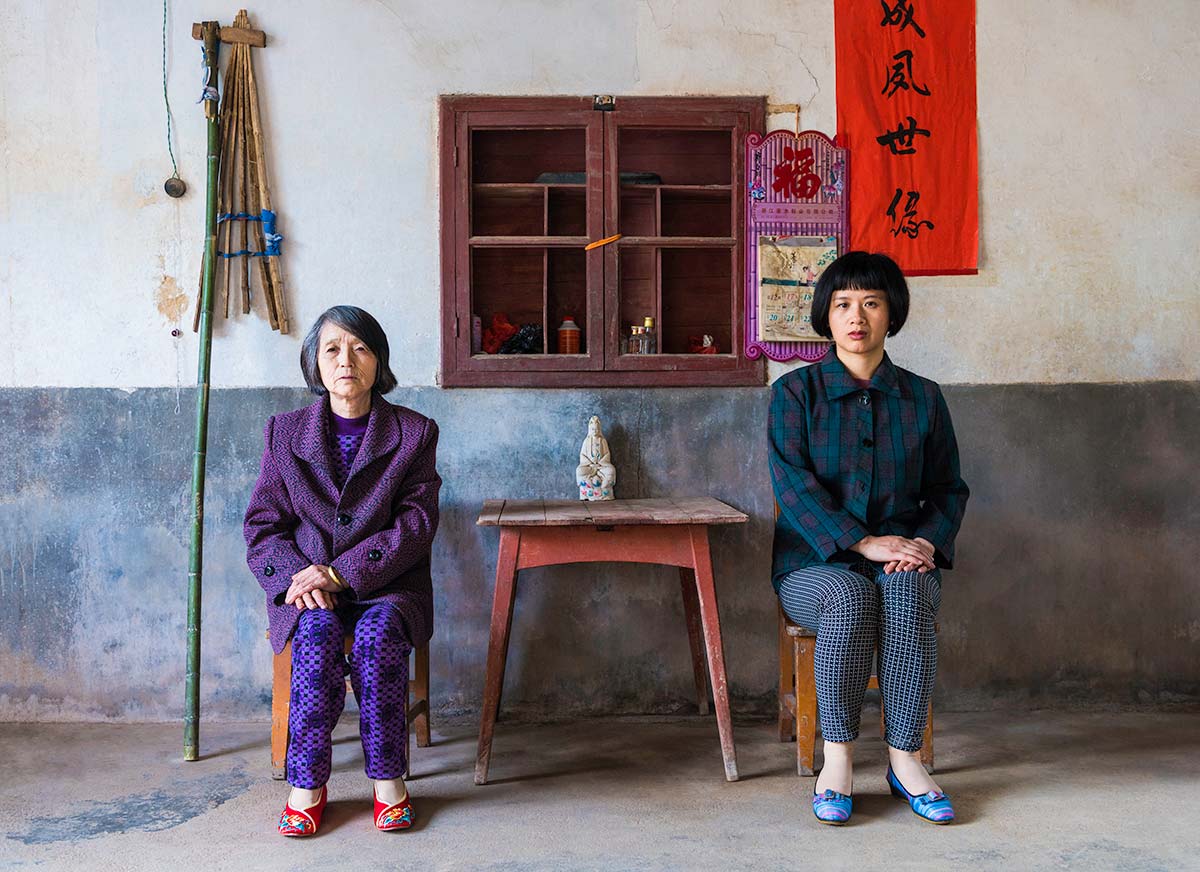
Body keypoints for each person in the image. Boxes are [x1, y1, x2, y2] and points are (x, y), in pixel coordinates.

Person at [769, 252, 969, 826]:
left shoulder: (924, 398)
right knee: (847, 596)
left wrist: (925, 545)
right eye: (843, 304)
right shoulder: (794, 395)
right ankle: (838, 762)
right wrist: (862, 543)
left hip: (901, 561)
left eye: (872, 303)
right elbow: (794, 490)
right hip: (812, 566)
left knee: (905, 593)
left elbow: (948, 491)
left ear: (891, 314)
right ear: (826, 317)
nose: (857, 317)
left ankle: (905, 761)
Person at [244, 306, 440, 836]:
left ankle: (388, 782)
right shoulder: (284, 433)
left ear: (379, 360)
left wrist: (344, 572)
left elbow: (416, 525)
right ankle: (306, 784)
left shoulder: (414, 433)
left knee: (376, 641)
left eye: (360, 347)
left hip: (387, 587)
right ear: (315, 362)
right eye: (332, 348)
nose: (345, 360)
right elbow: (263, 527)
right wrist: (301, 579)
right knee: (315, 634)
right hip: (308, 588)